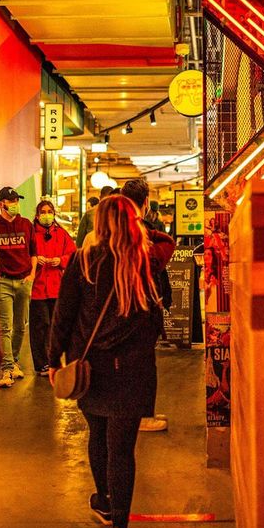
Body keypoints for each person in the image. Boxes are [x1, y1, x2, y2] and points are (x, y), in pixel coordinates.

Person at [48, 195, 176, 528]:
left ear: (99, 224)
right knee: (122, 450)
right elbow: (167, 242)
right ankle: (121, 523)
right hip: (134, 369)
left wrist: (53, 359)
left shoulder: (83, 260)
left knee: (98, 434)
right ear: (135, 223)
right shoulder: (147, 260)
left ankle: (104, 500)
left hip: (92, 367)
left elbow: (64, 313)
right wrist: (140, 229)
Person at [122, 178, 173, 433]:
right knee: (142, 365)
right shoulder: (141, 232)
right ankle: (141, 416)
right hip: (141, 307)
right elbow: (167, 244)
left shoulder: (111, 232)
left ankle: (137, 413)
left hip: (123, 306)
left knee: (132, 363)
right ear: (145, 202)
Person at [0, 186, 36, 387]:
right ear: (2, 204)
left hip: (24, 280)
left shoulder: (26, 224)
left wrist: (32, 275)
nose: (16, 204)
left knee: (20, 326)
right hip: (3, 282)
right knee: (5, 327)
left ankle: (14, 361)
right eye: (12, 201)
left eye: (17, 200)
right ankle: (6, 368)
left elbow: (33, 252)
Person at [30, 199, 76, 376]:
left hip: (57, 287)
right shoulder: (31, 233)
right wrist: (35, 260)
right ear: (37, 215)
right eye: (43, 212)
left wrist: (61, 260)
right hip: (37, 288)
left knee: (55, 327)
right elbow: (25, 255)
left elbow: (72, 255)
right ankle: (41, 363)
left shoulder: (61, 233)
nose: (47, 215)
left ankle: (53, 361)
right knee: (40, 326)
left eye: (50, 211)